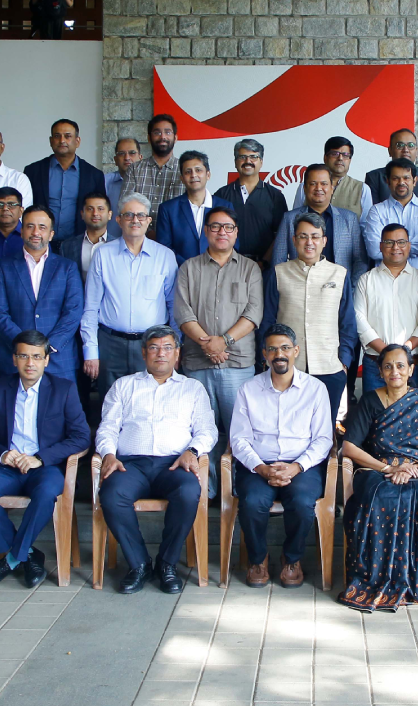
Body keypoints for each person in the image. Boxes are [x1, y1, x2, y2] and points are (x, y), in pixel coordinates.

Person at [95, 326, 216, 594]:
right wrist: (108, 454)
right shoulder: (124, 386)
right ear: (144, 353)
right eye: (154, 348)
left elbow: (208, 430)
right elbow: (108, 428)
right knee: (112, 493)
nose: (161, 353)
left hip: (174, 463)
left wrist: (192, 451)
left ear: (177, 353)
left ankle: (167, 563)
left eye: (167, 348)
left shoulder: (192, 388)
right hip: (130, 464)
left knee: (188, 492)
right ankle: (138, 564)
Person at [0, 329, 90, 589]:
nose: (30, 363)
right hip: (6, 467)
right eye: (23, 356)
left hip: (45, 468)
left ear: (46, 360)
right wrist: (2, 453)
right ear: (14, 359)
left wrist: (40, 458)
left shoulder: (63, 389)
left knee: (46, 492)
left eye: (36, 356)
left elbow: (81, 437)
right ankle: (29, 555)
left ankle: (10, 560)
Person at [338, 344, 418, 611]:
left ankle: (417, 579)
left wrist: (417, 469)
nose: (395, 371)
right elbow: (349, 447)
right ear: (379, 371)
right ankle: (374, 579)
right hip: (377, 470)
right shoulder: (370, 401)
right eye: (388, 366)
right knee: (382, 495)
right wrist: (387, 469)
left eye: (400, 365)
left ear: (411, 369)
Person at [229, 325, 334, 587]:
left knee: (300, 502)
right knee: (252, 502)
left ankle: (291, 558)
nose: (280, 354)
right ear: (264, 354)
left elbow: (323, 439)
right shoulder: (248, 389)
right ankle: (258, 559)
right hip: (258, 465)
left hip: (302, 466)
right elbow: (239, 439)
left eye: (285, 347)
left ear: (296, 351)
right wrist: (261, 468)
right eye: (273, 348)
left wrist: (297, 467)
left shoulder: (316, 389)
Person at [174, 207, 261, 491]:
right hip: (198, 363)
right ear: (205, 231)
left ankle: (237, 488)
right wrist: (208, 345)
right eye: (215, 227)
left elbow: (253, 313)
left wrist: (224, 341)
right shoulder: (189, 268)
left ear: (236, 232)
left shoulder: (250, 268)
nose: (221, 232)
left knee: (240, 430)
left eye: (228, 227)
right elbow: (183, 312)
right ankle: (208, 489)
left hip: (237, 363)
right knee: (201, 430)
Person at [81, 194, 179, 399]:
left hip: (153, 344)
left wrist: (175, 349)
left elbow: (174, 307)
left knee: (150, 405)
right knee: (110, 407)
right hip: (110, 344)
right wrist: (91, 353)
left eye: (141, 215)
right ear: (118, 220)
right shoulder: (103, 254)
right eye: (129, 215)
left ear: (149, 221)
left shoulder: (165, 256)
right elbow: (90, 307)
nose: (135, 220)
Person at [262, 212, 356, 417]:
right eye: (303, 236)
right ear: (294, 240)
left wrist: (344, 362)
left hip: (329, 365)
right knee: (288, 422)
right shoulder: (279, 273)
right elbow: (268, 319)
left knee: (326, 425)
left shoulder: (339, 274)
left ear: (324, 241)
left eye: (315, 236)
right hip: (287, 365)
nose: (309, 242)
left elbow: (347, 322)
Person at [0, 207, 84, 378]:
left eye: (42, 227)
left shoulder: (67, 267)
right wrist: (25, 347)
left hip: (58, 358)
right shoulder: (3, 267)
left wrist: (48, 346)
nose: (35, 232)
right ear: (22, 231)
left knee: (59, 405)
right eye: (30, 226)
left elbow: (74, 311)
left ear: (51, 234)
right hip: (16, 358)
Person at [356, 224, 418, 393]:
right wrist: (387, 352)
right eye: (389, 242)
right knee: (376, 417)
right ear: (381, 247)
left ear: (409, 246)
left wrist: (406, 349)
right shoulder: (366, 280)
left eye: (401, 242)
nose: (396, 247)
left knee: (414, 417)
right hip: (376, 364)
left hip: (413, 364)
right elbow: (359, 319)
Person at [273, 164, 369, 282]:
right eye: (313, 184)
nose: (318, 188)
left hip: (338, 291)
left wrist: (351, 289)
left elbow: (360, 260)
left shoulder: (349, 219)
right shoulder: (289, 218)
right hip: (300, 288)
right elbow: (278, 260)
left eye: (324, 184)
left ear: (332, 188)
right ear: (305, 188)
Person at [24, 118, 106, 242]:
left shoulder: (94, 175)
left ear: (77, 141)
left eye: (68, 136)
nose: (62, 140)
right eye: (57, 136)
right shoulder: (33, 171)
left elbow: (100, 211)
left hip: (78, 243)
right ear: (51, 141)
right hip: (41, 241)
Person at [212, 138, 288, 263]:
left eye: (253, 157)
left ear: (261, 162)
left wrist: (264, 262)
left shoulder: (275, 196)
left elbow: (281, 235)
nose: (248, 161)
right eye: (242, 157)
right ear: (235, 162)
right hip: (228, 265)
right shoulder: (221, 195)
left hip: (264, 267)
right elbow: (214, 232)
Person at [362, 157, 418, 271]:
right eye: (396, 178)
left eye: (406, 178)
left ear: (415, 181)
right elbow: (374, 250)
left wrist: (390, 244)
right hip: (386, 278)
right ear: (388, 181)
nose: (401, 183)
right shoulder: (377, 211)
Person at [155, 150, 234, 263]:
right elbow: (164, 248)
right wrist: (189, 268)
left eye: (198, 170)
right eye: (188, 172)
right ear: (182, 178)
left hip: (218, 273)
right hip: (181, 273)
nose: (193, 175)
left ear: (208, 175)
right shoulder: (168, 209)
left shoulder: (225, 206)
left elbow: (233, 243)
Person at [364, 128, 418, 210]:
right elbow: (372, 214)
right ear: (390, 150)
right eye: (400, 145)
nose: (406, 150)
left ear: (416, 151)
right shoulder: (374, 178)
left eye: (411, 145)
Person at [291, 136, 373, 216]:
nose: (340, 158)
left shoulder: (362, 189)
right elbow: (294, 219)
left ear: (350, 160)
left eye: (345, 155)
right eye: (335, 154)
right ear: (325, 158)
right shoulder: (305, 187)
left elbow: (365, 226)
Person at [122, 114, 184, 205]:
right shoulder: (135, 169)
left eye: (168, 132)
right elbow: (125, 205)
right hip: (138, 219)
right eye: (157, 133)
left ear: (175, 138)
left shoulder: (184, 170)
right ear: (149, 138)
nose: (163, 137)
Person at [58, 191, 120, 280]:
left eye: (100, 209)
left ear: (109, 215)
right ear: (82, 214)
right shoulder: (67, 246)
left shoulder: (119, 246)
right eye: (90, 209)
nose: (95, 213)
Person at [107, 138, 142, 227]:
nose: (127, 158)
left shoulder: (148, 182)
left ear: (140, 158)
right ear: (115, 159)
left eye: (132, 153)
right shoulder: (104, 181)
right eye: (121, 153)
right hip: (110, 239)